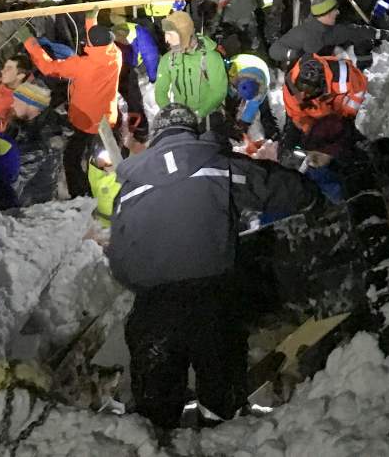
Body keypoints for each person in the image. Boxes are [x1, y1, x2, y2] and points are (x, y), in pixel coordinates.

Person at [107, 103, 323, 429]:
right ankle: (220, 433)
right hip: (213, 298)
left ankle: (159, 437)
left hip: (153, 306)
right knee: (222, 399)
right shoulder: (216, 163)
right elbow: (272, 186)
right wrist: (311, 194)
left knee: (153, 412)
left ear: (156, 137)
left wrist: (149, 285)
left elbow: (118, 259)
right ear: (193, 131)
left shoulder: (128, 189)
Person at [18, 21, 121, 199]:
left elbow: (49, 67)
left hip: (85, 121)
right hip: (108, 118)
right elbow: (96, 40)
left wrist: (30, 43)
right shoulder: (115, 55)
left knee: (72, 159)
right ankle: (112, 189)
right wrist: (91, 21)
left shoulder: (81, 65)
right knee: (105, 158)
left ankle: (80, 195)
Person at [268, 0, 388, 69]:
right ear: (325, 14)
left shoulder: (333, 31)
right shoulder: (302, 32)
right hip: (302, 83)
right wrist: (293, 54)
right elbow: (274, 50)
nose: (338, 12)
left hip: (326, 79)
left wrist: (384, 34)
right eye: (334, 10)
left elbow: (357, 31)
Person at [281, 53, 367, 154]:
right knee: (290, 147)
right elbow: (297, 115)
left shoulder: (343, 76)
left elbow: (358, 91)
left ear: (322, 85)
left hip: (338, 116)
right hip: (313, 121)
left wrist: (347, 115)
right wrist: (312, 129)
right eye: (301, 90)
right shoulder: (291, 88)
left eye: (310, 92)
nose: (304, 95)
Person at [154, 11, 229, 125]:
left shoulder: (210, 58)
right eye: (166, 34)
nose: (166, 40)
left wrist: (199, 114)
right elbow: (160, 91)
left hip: (207, 114)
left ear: (183, 35)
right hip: (181, 116)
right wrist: (170, 113)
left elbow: (219, 91)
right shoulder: (168, 59)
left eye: (171, 35)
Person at [227, 49, 279, 140]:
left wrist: (244, 122)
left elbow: (253, 105)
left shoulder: (262, 88)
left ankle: (271, 131)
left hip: (260, 66)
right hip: (243, 62)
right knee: (232, 100)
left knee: (263, 107)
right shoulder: (233, 74)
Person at [112, 19, 160, 84]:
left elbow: (150, 58)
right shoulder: (114, 35)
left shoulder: (142, 36)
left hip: (138, 61)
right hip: (127, 62)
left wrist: (153, 78)